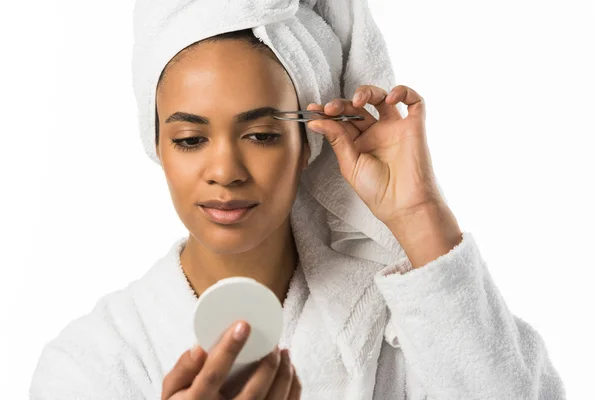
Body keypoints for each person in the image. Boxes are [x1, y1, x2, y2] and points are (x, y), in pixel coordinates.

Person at [30, 27, 566, 400]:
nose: (226, 170)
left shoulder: (394, 325)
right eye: (190, 139)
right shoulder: (94, 360)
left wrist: (421, 213)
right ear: (158, 148)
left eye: (261, 135)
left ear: (307, 144)